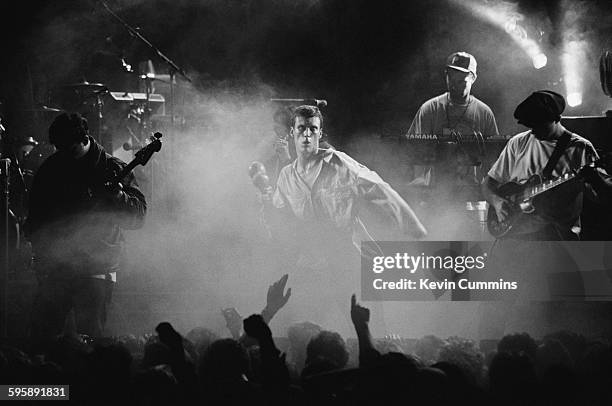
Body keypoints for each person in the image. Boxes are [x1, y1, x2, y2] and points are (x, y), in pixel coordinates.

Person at [260, 105, 426, 334]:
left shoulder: (339, 163)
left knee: (370, 325)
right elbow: (280, 218)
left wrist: (411, 227)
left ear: (320, 133)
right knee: (320, 325)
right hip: (314, 262)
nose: (307, 135)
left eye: (312, 129)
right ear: (292, 132)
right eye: (301, 129)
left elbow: (378, 187)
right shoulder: (287, 176)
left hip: (351, 258)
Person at [26, 112, 146, 341]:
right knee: (41, 335)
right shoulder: (51, 168)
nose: (65, 157)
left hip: (97, 268)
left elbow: (138, 217)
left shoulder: (111, 168)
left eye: (70, 150)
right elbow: (37, 216)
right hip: (57, 267)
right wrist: (39, 251)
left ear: (85, 139)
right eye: (60, 150)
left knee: (91, 339)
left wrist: (118, 196)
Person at [482, 90, 610, 241]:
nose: (534, 131)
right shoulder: (518, 142)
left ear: (557, 118)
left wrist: (595, 178)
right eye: (531, 126)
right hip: (516, 237)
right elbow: (488, 184)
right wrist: (497, 202)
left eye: (539, 125)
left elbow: (604, 197)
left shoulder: (580, 148)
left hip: (559, 238)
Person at [404, 52, 499, 239]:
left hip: (471, 198)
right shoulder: (429, 109)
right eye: (451, 78)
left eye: (461, 80)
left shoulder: (484, 113)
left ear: (473, 79)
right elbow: (412, 151)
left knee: (472, 251)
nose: (455, 84)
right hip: (435, 197)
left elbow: (495, 160)